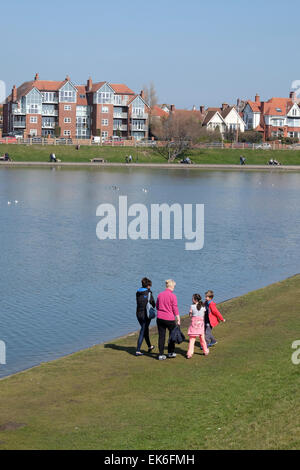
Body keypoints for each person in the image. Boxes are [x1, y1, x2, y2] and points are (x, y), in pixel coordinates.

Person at [156, 279, 180, 360]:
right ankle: (170, 352)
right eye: (174, 286)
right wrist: (178, 317)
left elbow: (157, 306)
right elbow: (175, 308)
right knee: (172, 336)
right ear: (171, 286)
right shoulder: (173, 296)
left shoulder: (160, 294)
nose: (174, 288)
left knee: (161, 336)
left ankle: (161, 354)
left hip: (160, 318)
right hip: (169, 318)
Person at [135, 277, 155, 356]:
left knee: (145, 329)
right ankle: (138, 350)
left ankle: (150, 346)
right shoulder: (149, 293)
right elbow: (153, 303)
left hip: (138, 313)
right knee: (143, 330)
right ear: (148, 285)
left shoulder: (137, 292)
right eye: (150, 285)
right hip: (145, 314)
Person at [186, 294, 209, 359]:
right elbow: (203, 315)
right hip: (201, 325)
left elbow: (190, 315)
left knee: (192, 340)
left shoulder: (192, 306)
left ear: (195, 300)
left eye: (192, 298)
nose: (192, 299)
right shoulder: (203, 306)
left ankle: (189, 354)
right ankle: (206, 351)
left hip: (194, 325)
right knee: (202, 339)